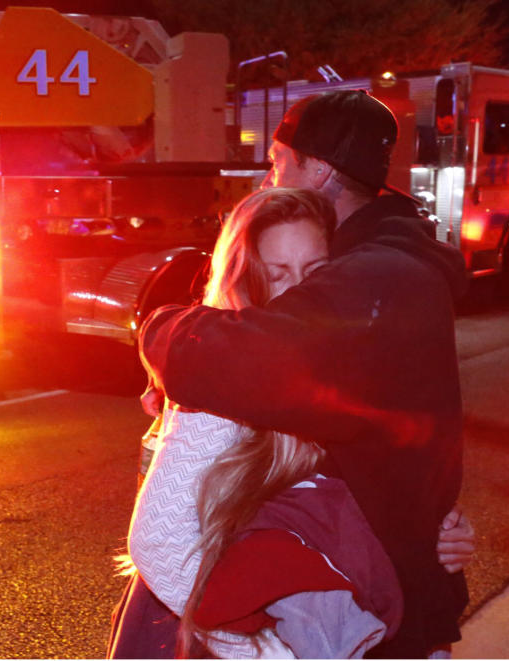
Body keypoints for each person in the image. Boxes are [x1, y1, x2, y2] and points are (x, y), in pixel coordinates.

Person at [137, 90, 473, 658]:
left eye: (278, 161)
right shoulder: (394, 265)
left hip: (379, 620)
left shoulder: (374, 279)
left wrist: (159, 328)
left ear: (315, 171)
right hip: (361, 616)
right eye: (279, 273)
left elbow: (231, 361)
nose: (270, 179)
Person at [110, 187, 404, 659]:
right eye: (279, 274)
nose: (301, 289)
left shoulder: (329, 359)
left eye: (315, 270)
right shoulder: (225, 371)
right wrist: (262, 652)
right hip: (217, 628)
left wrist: (435, 527)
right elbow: (159, 540)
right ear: (248, 280)